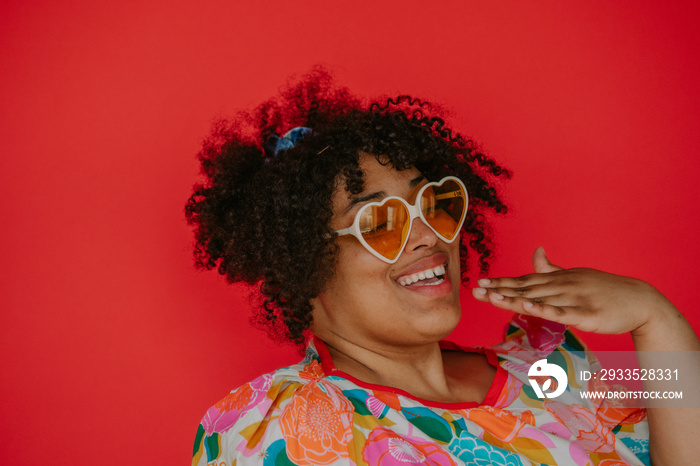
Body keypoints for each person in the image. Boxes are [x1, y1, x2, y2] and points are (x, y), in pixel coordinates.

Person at [187, 69, 699, 466]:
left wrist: (655, 317)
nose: (430, 234)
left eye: (433, 203)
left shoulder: (546, 368)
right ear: (302, 265)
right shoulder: (280, 431)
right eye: (379, 221)